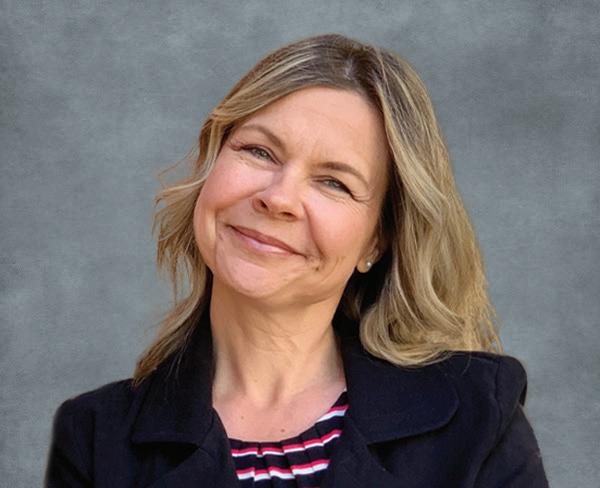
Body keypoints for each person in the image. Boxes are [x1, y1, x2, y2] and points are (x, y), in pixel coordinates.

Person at [44, 33, 549, 487]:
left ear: (377, 241)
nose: (278, 198)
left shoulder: (480, 419)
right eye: (259, 152)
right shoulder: (95, 439)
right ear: (209, 165)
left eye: (333, 182)